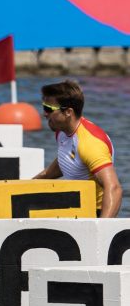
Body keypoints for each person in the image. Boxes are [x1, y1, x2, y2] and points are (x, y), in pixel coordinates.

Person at [34, 79, 122, 218]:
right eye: (44, 107)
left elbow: (114, 189)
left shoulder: (90, 144)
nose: (45, 114)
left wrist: (101, 230)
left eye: (49, 109)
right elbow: (67, 159)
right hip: (74, 207)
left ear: (68, 112)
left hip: (95, 213)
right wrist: (27, 185)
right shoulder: (62, 130)